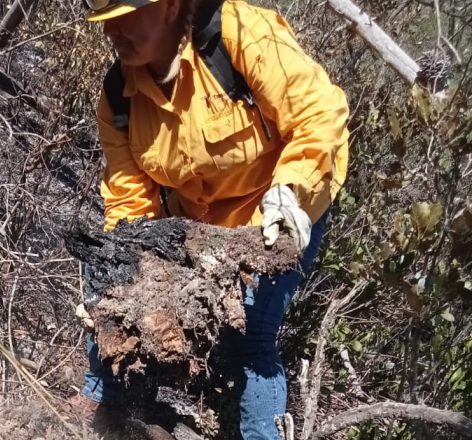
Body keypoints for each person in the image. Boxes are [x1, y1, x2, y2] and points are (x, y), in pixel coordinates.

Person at [71, 0, 350, 438]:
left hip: (279, 208)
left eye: (123, 17)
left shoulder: (241, 35)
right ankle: (104, 419)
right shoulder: (118, 99)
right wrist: (121, 283)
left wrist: (290, 189)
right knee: (112, 298)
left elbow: (318, 113)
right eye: (105, 22)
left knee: (251, 336)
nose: (112, 32)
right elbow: (129, 206)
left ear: (169, 7)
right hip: (196, 225)